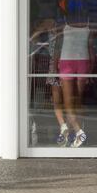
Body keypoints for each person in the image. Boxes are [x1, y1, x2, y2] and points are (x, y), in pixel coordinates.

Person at [58, 0, 95, 148]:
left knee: (68, 102)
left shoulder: (63, 23)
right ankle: (75, 130)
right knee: (77, 100)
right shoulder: (88, 24)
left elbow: (58, 47)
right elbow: (91, 50)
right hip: (83, 62)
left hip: (66, 62)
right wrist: (91, 71)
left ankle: (78, 131)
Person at [30, 18, 67, 146]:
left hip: (55, 66)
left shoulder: (52, 27)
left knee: (58, 102)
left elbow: (34, 38)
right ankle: (66, 127)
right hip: (66, 66)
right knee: (65, 100)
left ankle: (63, 126)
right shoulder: (64, 30)